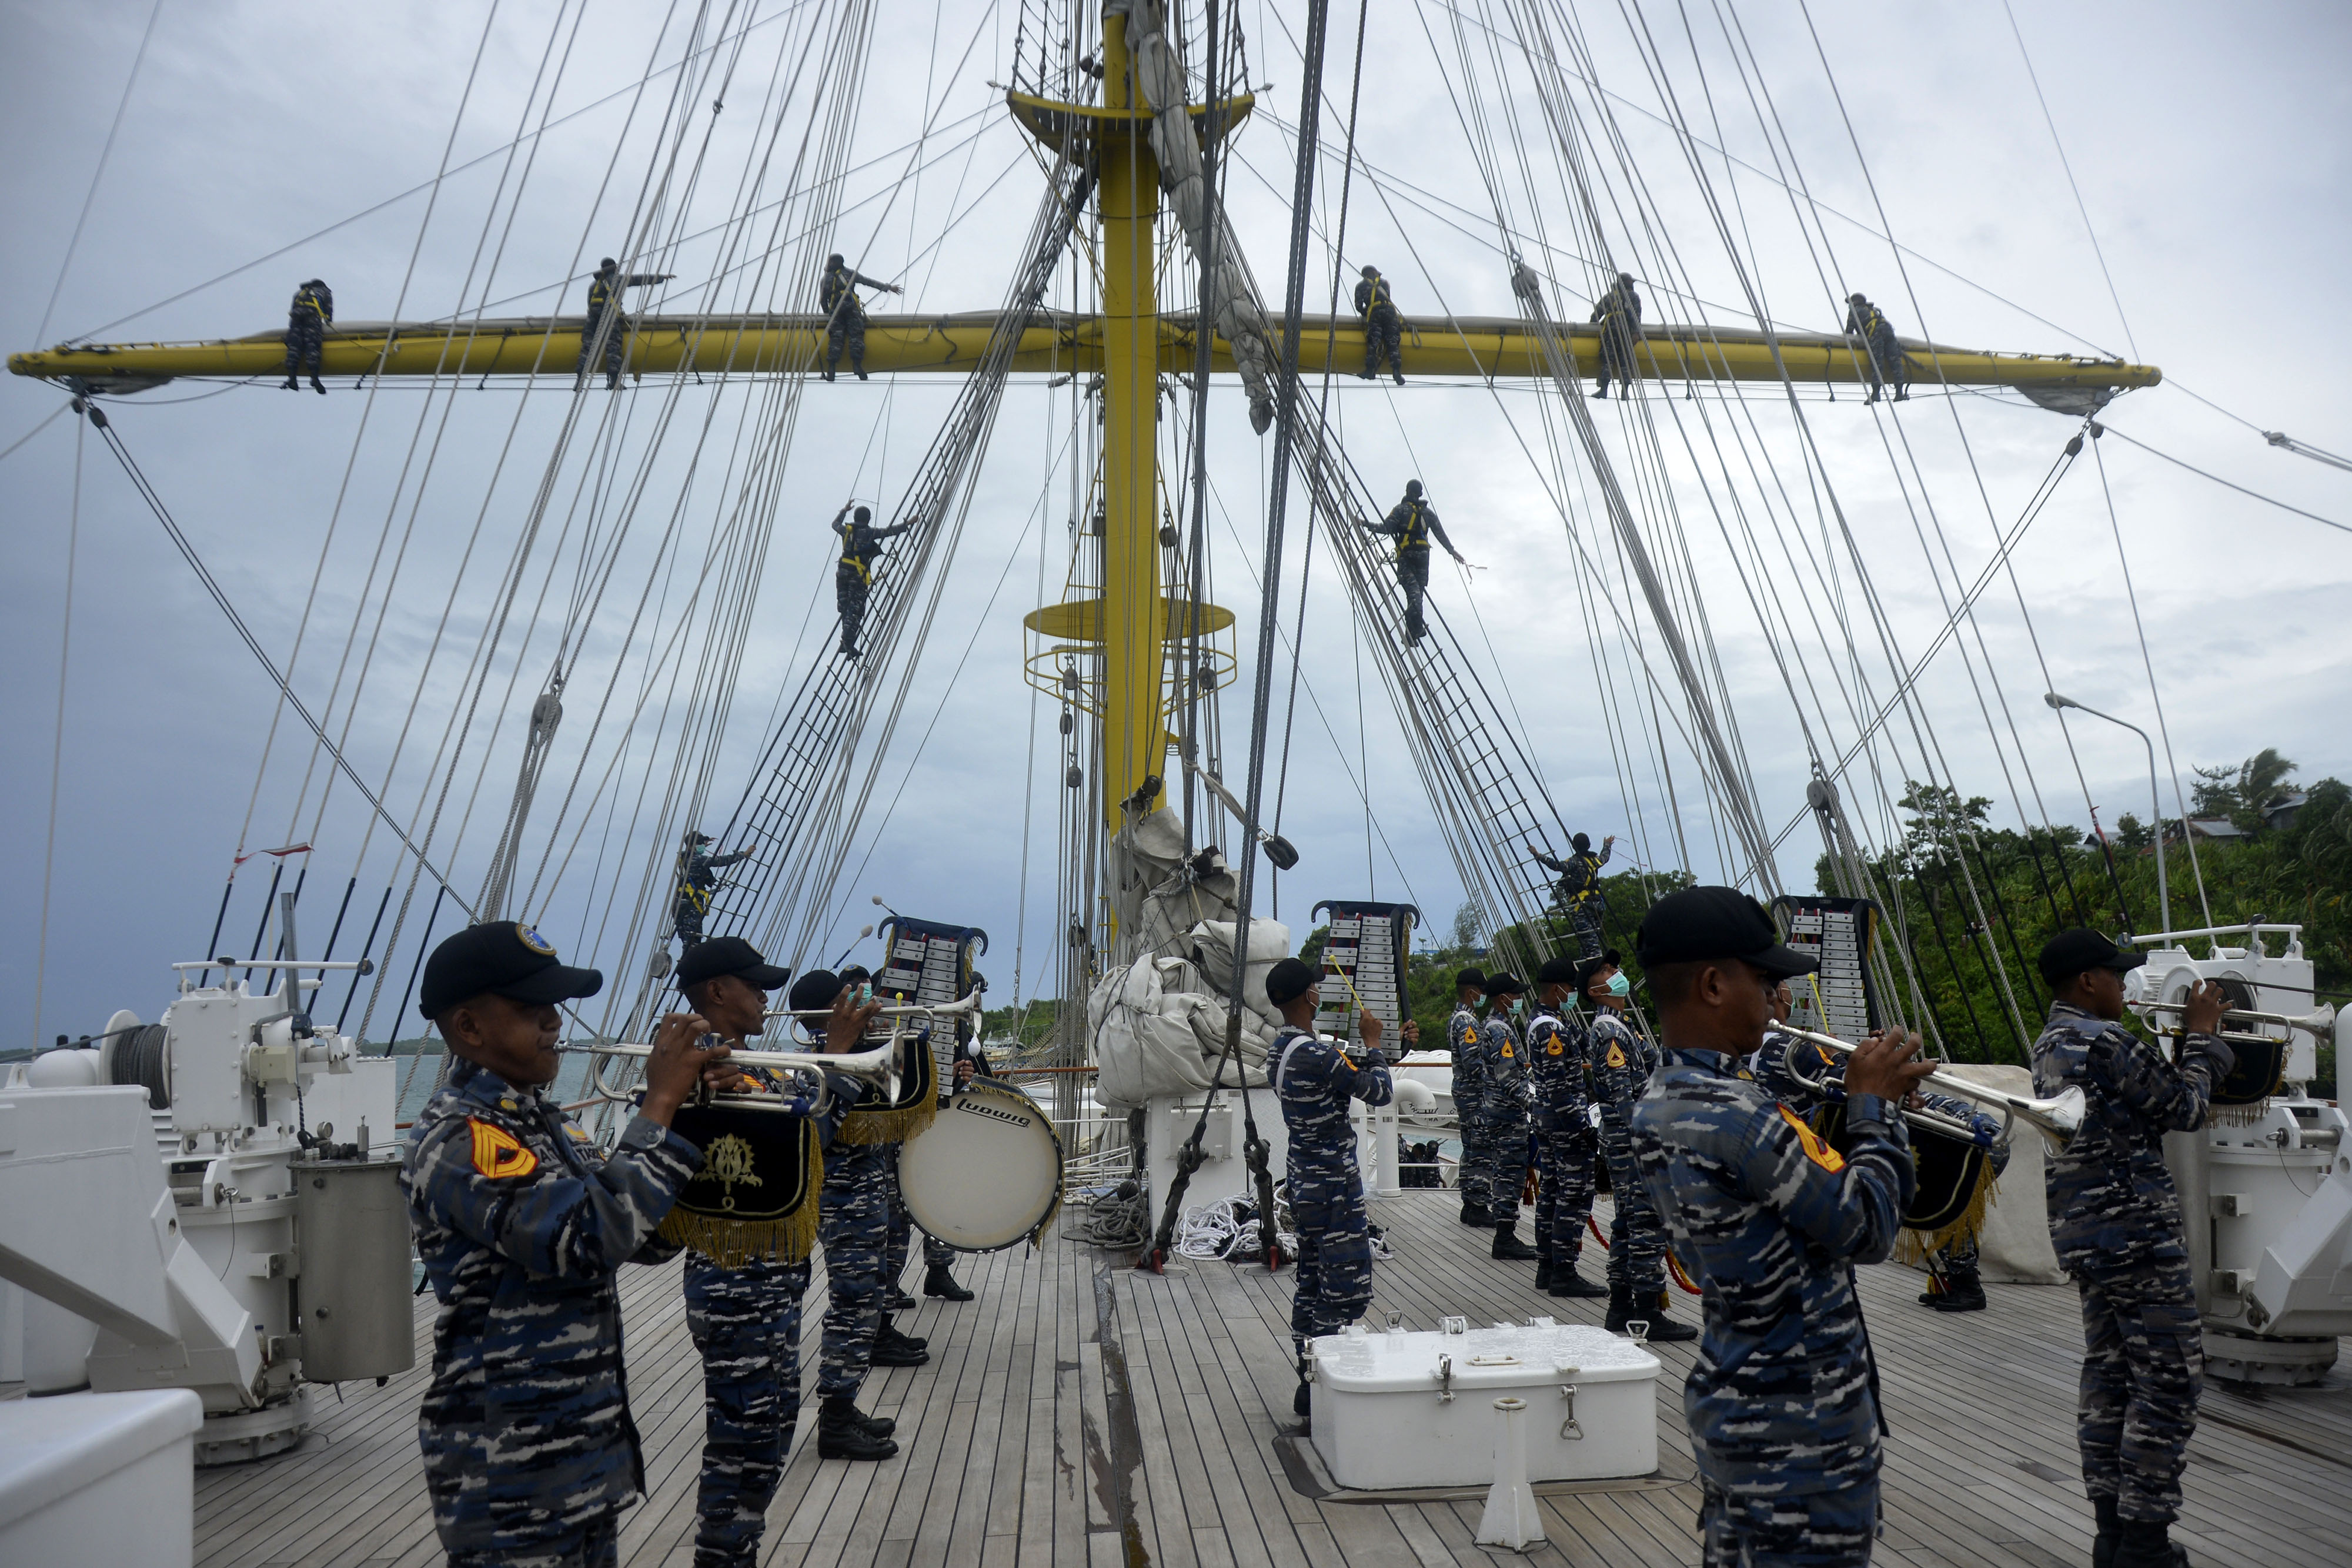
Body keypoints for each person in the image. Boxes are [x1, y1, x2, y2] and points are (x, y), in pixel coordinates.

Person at [404, 920, 742, 1567]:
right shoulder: (457, 1140)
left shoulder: (542, 1124)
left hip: (578, 1459)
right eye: (531, 1008)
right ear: (470, 1028)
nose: (555, 1022)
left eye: (554, 1006)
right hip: (507, 1475)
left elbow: (641, 1240)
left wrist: (693, 1115)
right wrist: (661, 1105)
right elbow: (585, 1239)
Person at [1626, 886, 1934, 1567]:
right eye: (1764, 981)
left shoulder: (1668, 1098)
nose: (1776, 1001)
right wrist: (1875, 1112)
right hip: (1801, 1432)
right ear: (1712, 984)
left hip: (1744, 1410)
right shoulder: (1734, 1114)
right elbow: (1869, 1230)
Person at [2032, 930, 2232, 1568]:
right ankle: (2144, 1542)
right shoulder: (2105, 1041)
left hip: (2088, 1236)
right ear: (2088, 982)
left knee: (2111, 1380)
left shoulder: (2049, 1044)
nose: (2125, 986)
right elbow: (2186, 1107)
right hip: (2138, 1235)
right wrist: (2203, 1039)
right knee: (2169, 1380)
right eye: (2115, 975)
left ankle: (2111, 1533)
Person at [673, 937, 871, 1568]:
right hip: (736, 1289)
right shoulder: (701, 1069)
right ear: (716, 993)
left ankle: (737, 1553)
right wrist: (836, 1055)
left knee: (769, 1437)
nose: (765, 996)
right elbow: (807, 1142)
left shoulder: (745, 1064)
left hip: (768, 1288)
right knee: (743, 1450)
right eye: (753, 985)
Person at [1748, 983, 2010, 1315]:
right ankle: (1962, 1279)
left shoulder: (1743, 1053)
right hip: (1826, 1159)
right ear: (1776, 994)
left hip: (1789, 1168)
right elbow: (1861, 1086)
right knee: (1952, 1160)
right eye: (1785, 987)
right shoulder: (1798, 1047)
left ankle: (1961, 1281)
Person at [1268, 956, 1393, 1430]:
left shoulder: (1279, 1052)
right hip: (1335, 1185)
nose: (1322, 993)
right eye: (1317, 988)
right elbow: (1378, 1091)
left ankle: (1308, 1379)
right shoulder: (1317, 1055)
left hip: (1303, 1180)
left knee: (1312, 1281)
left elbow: (1333, 1077)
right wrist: (1375, 1046)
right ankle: (1323, 1386)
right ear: (1308, 997)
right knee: (1346, 1291)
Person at [1583, 950, 1697, 1341]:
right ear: (1595, 988)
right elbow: (1622, 1095)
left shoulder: (1621, 1025)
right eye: (1606, 970)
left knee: (1627, 1222)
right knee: (1646, 1221)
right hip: (1633, 1140)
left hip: (1626, 1140)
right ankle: (1648, 1310)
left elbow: (1656, 1066)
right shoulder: (1609, 1030)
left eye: (1615, 967)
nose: (1616, 973)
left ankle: (1621, 1307)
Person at [1527, 954, 1606, 1298]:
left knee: (1553, 1191)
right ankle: (1564, 1270)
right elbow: (1560, 1086)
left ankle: (1548, 1265)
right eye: (1570, 988)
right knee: (1573, 1195)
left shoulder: (1542, 1021)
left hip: (1548, 1120)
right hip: (1565, 1122)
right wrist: (1583, 1128)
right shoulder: (1550, 1028)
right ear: (1557, 989)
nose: (1573, 993)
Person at [1473, 972, 1538, 1262]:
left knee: (1507, 1172)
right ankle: (1505, 1237)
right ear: (1503, 999)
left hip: (1500, 1111)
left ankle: (1506, 1234)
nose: (1519, 999)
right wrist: (1536, 1106)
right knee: (1509, 1174)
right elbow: (1508, 1079)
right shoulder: (1499, 1031)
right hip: (1507, 1113)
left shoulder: (1495, 1026)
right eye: (1516, 995)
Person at [1357, 480, 1464, 646]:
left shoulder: (1401, 510)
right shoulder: (1426, 514)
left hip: (1409, 561)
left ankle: (1413, 630)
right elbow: (1440, 534)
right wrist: (1452, 551)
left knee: (1415, 597)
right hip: (1420, 561)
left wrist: (1366, 525)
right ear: (1420, 494)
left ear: (1407, 491)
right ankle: (1415, 630)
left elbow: (1386, 528)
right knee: (1416, 597)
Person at [833, 503, 916, 660]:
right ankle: (847, 641)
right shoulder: (869, 532)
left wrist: (844, 510)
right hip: (856, 577)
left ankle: (848, 644)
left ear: (855, 518)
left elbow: (835, 524)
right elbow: (889, 532)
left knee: (845, 607)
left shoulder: (847, 530)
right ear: (869, 519)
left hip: (842, 573)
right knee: (855, 609)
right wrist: (908, 524)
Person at [577, 258, 673, 390]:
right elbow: (638, 280)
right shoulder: (617, 280)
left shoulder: (594, 285)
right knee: (613, 346)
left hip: (592, 317)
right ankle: (614, 380)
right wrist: (661, 278)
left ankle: (579, 380)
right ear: (614, 268)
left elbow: (589, 302)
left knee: (587, 347)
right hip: (608, 316)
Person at [1447, 969, 1489, 1225]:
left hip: (1465, 1094)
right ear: (1472, 992)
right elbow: (1473, 1062)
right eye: (1482, 991)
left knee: (1470, 1149)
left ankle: (1470, 1204)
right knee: (1480, 1150)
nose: (1484, 996)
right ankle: (1478, 1205)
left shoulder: (1459, 1017)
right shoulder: (1467, 1021)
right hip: (1474, 1095)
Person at [819, 253, 901, 382]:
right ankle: (857, 365)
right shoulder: (849, 273)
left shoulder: (825, 279)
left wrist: (827, 316)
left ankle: (832, 369)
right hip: (851, 307)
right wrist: (888, 287)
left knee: (836, 338)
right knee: (856, 335)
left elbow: (823, 301)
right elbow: (868, 282)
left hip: (836, 311)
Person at [1532, 833, 1615, 957]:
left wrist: (1538, 855)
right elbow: (1605, 857)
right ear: (1589, 845)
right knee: (1589, 941)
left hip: (1582, 905)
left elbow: (1557, 866)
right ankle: (1588, 967)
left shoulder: (1573, 862)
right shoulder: (1594, 860)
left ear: (1573, 846)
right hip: (1598, 904)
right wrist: (1607, 845)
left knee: (1590, 944)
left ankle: (1599, 967)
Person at [674, 831, 751, 947]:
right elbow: (720, 861)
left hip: (681, 904)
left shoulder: (683, 858)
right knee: (693, 941)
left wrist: (703, 844)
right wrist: (743, 855)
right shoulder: (698, 859)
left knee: (688, 938)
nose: (702, 846)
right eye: (700, 843)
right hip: (691, 905)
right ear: (694, 845)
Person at [1842, 292, 1908, 403]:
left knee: (1877, 362)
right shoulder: (1874, 310)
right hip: (1889, 332)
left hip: (1876, 334)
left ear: (1855, 302)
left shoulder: (1855, 310)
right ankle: (1899, 393)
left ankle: (1876, 393)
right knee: (1895, 361)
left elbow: (1849, 331)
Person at [1590, 272, 1642, 399]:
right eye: (1630, 281)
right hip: (1626, 331)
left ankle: (1604, 390)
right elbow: (1637, 316)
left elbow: (1596, 314)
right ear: (1624, 283)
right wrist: (1636, 332)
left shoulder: (1609, 297)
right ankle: (1625, 392)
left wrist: (1590, 330)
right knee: (1625, 360)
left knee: (1607, 359)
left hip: (1610, 330)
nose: (1632, 284)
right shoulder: (1633, 296)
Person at [1353, 264, 1404, 385]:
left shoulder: (1360, 286)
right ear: (1375, 273)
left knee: (1374, 341)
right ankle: (1397, 372)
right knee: (1393, 341)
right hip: (1390, 312)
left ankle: (1370, 370)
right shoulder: (1385, 283)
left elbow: (1358, 306)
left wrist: (1367, 311)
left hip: (1375, 312)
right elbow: (1387, 297)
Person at [282, 279, 333, 394]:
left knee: (294, 346)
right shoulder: (324, 291)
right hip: (312, 317)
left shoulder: (299, 293)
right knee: (312, 345)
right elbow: (328, 308)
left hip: (296, 318)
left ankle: (292, 378)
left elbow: (293, 307)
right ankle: (314, 378)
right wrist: (329, 321)